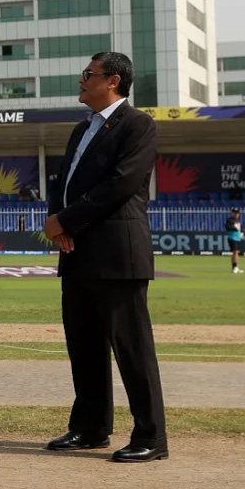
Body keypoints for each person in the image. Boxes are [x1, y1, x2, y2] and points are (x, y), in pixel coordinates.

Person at [43, 52, 166, 463]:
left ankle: (151, 436)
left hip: (117, 253)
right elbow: (65, 182)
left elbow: (121, 184)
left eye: (88, 75)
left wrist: (64, 220)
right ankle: (90, 427)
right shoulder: (81, 130)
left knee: (132, 349)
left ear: (112, 81)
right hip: (78, 252)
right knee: (84, 346)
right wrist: (60, 223)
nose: (81, 81)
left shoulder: (138, 125)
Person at [225, 207, 245, 273]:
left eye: (237, 213)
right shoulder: (230, 220)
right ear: (232, 213)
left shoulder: (238, 220)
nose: (236, 214)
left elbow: (241, 227)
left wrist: (242, 232)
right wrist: (235, 228)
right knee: (235, 252)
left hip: (237, 238)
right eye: (235, 213)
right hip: (232, 238)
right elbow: (228, 227)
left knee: (236, 253)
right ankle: (235, 267)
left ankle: (235, 267)